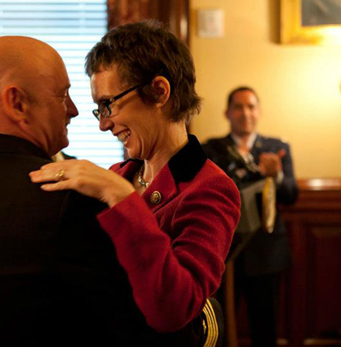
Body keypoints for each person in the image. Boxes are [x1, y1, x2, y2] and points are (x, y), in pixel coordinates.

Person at [0, 35, 174, 347]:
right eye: (62, 95)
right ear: (17, 103)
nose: (73, 110)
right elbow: (134, 327)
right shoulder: (68, 199)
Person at [29, 20, 241, 343]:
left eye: (109, 104)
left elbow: (174, 308)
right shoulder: (120, 173)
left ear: (159, 91)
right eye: (99, 109)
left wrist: (122, 197)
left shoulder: (211, 188)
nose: (105, 125)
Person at [201, 86, 299, 347]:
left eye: (251, 106)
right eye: (238, 107)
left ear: (260, 111)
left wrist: (275, 176)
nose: (246, 113)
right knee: (218, 327)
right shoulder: (211, 149)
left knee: (265, 329)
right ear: (227, 113)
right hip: (223, 252)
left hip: (267, 252)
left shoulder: (277, 148)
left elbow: (291, 194)